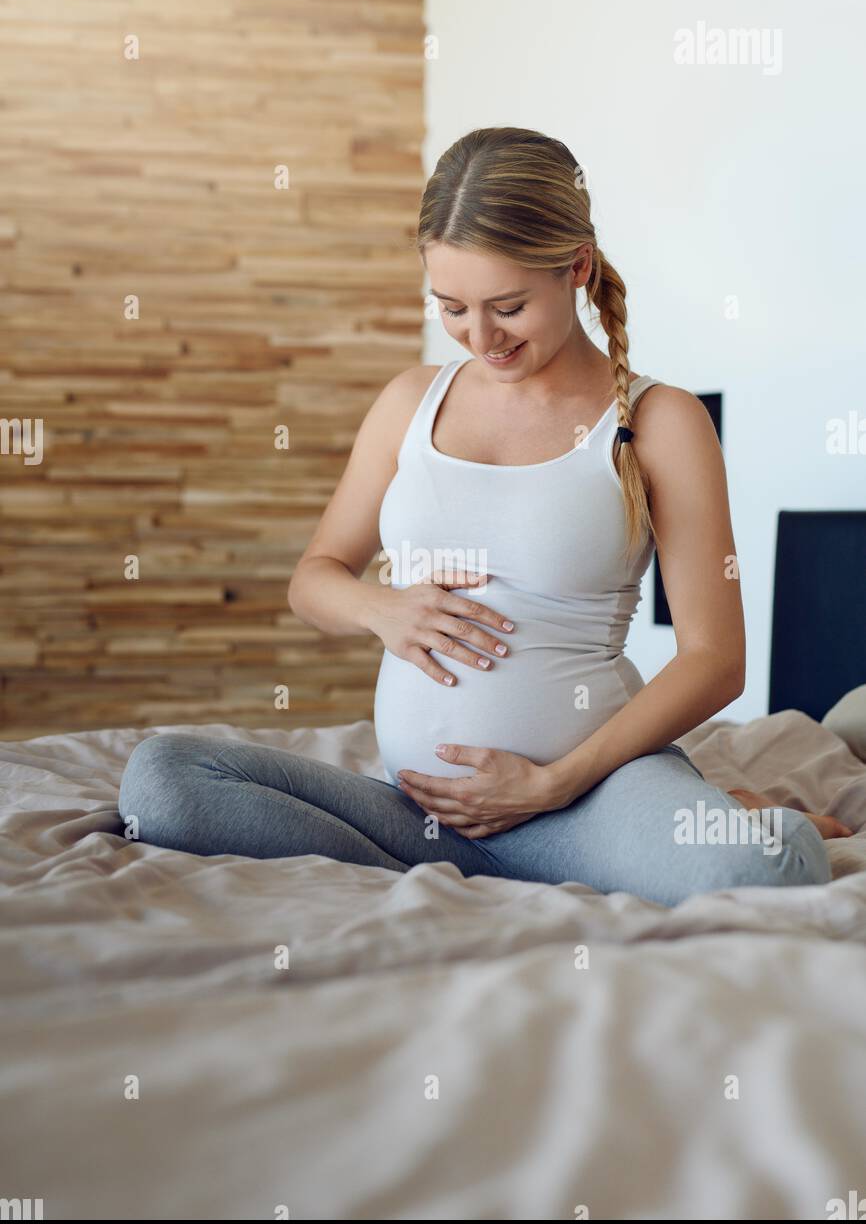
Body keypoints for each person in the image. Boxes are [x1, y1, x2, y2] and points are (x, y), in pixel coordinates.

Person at [118, 127, 844, 907]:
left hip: (585, 795)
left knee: (749, 873)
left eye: (508, 307)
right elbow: (314, 578)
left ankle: (697, 825)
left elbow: (717, 659)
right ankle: (577, 852)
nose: (481, 337)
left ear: (577, 267)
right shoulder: (409, 402)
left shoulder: (659, 421)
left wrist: (551, 783)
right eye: (452, 308)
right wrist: (382, 610)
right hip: (420, 812)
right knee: (164, 784)